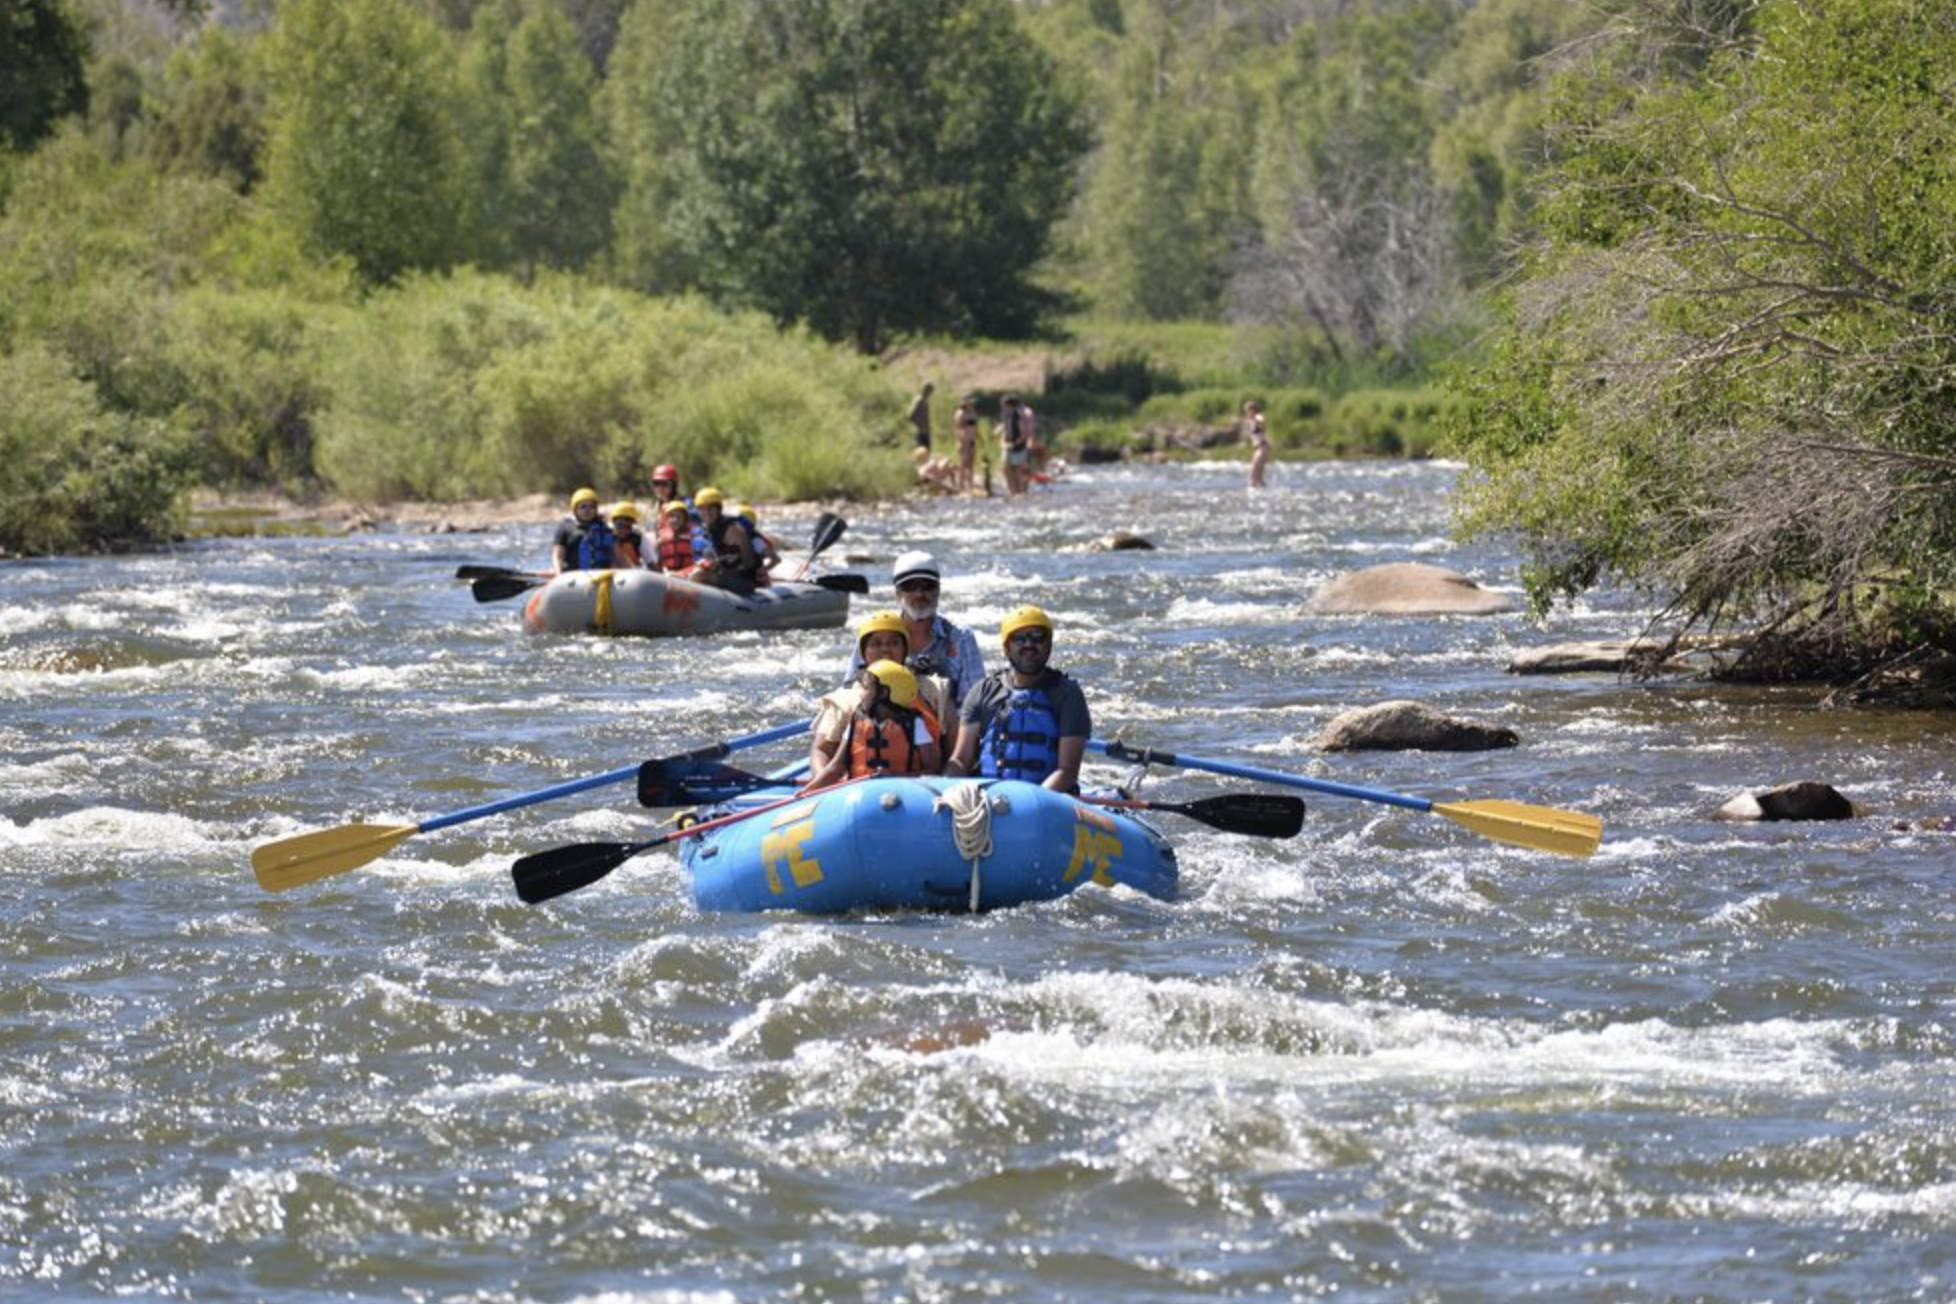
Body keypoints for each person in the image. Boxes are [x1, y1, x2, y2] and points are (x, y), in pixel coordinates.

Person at [845, 552, 986, 744]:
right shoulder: (873, 633)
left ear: (938, 589)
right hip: (878, 736)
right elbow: (850, 689)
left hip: (944, 737)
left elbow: (974, 705)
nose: (920, 594)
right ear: (898, 593)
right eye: (910, 587)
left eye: (927, 586)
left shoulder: (960, 637)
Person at [948, 605, 1090, 793]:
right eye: (1019, 638)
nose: (1028, 645)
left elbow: (1067, 771)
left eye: (1037, 637)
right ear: (1006, 648)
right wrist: (946, 786)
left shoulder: (1068, 694)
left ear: (1049, 645)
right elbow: (961, 760)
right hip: (988, 800)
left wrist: (1034, 802)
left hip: (1046, 800)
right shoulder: (982, 692)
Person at [810, 611, 955, 779]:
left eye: (894, 643)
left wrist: (950, 777)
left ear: (904, 649)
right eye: (875, 644)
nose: (885, 650)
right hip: (858, 789)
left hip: (919, 786)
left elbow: (954, 742)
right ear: (864, 652)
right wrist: (824, 784)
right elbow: (821, 750)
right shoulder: (844, 698)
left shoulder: (934, 690)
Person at [803, 660, 943, 790]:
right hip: (862, 793)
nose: (860, 693)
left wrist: (895, 777)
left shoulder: (914, 725)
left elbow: (933, 769)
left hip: (903, 792)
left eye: (866, 688)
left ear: (884, 693)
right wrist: (806, 792)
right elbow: (836, 768)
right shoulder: (856, 720)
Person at [692, 487, 760, 595]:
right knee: (689, 573)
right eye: (702, 508)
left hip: (744, 582)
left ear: (719, 509)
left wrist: (719, 566)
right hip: (724, 577)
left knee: (698, 575)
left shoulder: (732, 530)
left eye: (711, 508)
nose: (707, 512)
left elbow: (749, 564)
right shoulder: (705, 531)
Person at [552, 488, 616, 574]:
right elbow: (558, 556)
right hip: (574, 578)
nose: (587, 510)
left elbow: (619, 556)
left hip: (602, 577)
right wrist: (558, 575)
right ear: (575, 509)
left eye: (591, 507)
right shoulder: (565, 528)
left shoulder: (605, 529)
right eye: (583, 507)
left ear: (596, 509)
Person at [732, 502, 780, 581]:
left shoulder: (755, 541)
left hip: (753, 579)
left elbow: (776, 559)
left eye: (733, 522)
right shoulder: (731, 537)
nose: (730, 525)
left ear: (745, 524)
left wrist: (762, 571)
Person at [652, 498, 700, 574]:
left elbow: (699, 561)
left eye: (678, 516)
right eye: (671, 516)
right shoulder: (661, 539)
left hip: (689, 575)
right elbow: (655, 563)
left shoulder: (694, 536)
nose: (675, 519)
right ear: (667, 519)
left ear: (684, 519)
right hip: (668, 575)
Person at [997, 396, 1029, 496]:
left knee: (1017, 470)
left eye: (1004, 406)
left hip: (1018, 447)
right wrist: (1003, 442)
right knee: (1005, 468)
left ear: (1010, 406)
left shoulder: (1018, 418)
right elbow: (1005, 431)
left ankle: (1019, 491)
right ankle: (1013, 491)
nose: (1002, 407)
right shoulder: (1005, 416)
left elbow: (1023, 435)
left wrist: (1013, 444)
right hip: (1007, 446)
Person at [953, 395, 979, 492]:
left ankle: (970, 485)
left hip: (972, 441)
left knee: (971, 464)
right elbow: (957, 429)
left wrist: (979, 439)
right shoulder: (960, 413)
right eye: (969, 402)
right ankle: (960, 486)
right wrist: (962, 442)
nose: (971, 403)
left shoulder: (972, 412)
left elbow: (975, 427)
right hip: (964, 442)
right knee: (963, 463)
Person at [1243, 399, 1270, 489]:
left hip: (1262, 447)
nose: (1246, 412)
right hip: (1257, 449)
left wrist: (1256, 419)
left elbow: (1261, 419)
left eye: (1247, 410)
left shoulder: (1258, 417)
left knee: (1253, 475)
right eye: (1245, 411)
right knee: (1259, 477)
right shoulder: (1249, 420)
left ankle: (1252, 494)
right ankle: (1265, 492)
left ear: (1253, 410)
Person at [609, 502, 645, 568]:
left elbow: (651, 563)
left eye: (627, 526)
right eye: (620, 525)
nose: (623, 529)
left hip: (633, 576)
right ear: (614, 522)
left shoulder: (638, 538)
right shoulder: (606, 538)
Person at [908, 381, 934, 452]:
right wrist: (919, 426)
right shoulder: (919, 400)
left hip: (925, 431)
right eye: (929, 390)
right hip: (920, 432)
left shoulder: (925, 400)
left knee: (927, 452)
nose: (930, 393)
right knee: (921, 452)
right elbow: (911, 414)